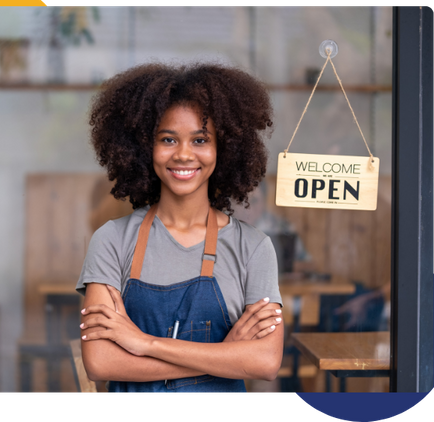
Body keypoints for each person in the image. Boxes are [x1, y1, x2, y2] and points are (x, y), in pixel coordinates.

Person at [75, 62, 283, 394]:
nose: (184, 154)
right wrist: (225, 356)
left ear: (223, 149)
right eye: (168, 139)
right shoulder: (113, 241)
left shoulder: (253, 247)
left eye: (200, 140)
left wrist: (144, 344)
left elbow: (265, 362)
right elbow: (101, 362)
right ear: (144, 148)